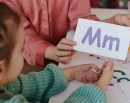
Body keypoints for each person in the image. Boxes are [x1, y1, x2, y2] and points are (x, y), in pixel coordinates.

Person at [0, 2, 114, 103]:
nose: (23, 51)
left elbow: (23, 85)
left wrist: (69, 73)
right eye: (21, 49)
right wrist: (100, 87)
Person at [0, 0, 129, 71]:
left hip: (69, 56)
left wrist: (113, 21)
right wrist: (53, 52)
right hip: (22, 63)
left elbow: (83, 22)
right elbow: (23, 37)